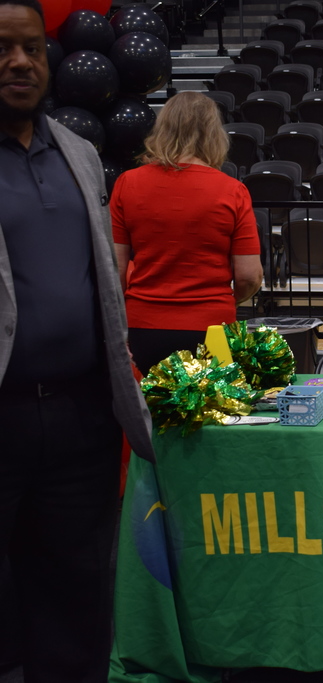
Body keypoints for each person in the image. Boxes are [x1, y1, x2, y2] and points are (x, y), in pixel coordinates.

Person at [0, 0, 155, 679]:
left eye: (32, 48)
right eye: (3, 48)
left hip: (81, 417)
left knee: (78, 596)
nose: (19, 62)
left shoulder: (83, 155)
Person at [111, 91, 263, 374]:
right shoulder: (232, 191)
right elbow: (249, 275)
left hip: (142, 325)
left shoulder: (126, 183)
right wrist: (225, 300)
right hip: (212, 327)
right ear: (213, 134)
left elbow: (115, 270)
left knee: (148, 414)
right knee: (215, 414)